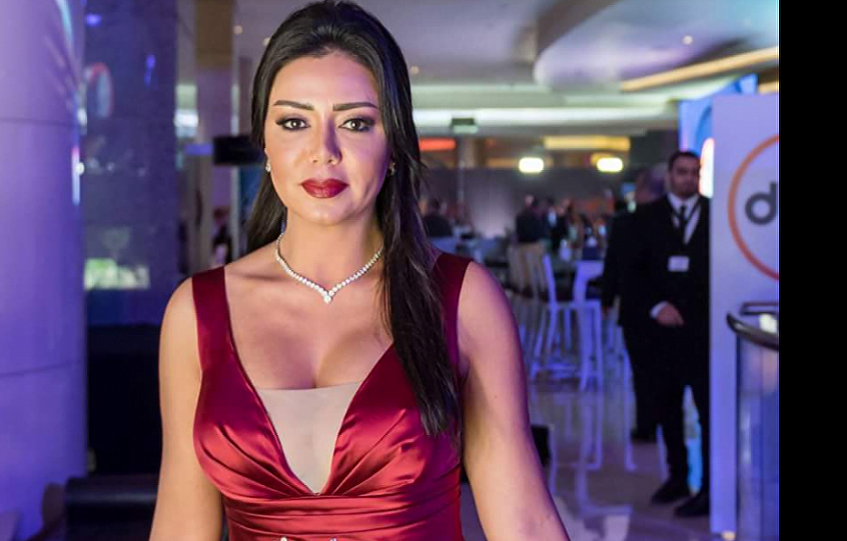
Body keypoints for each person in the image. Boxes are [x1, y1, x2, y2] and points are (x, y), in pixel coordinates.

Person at [149, 2, 570, 540]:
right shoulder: (198, 312)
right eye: (294, 122)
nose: (322, 152)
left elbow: (526, 523)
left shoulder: (460, 299)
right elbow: (180, 526)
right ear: (266, 143)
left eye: (355, 123)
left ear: (393, 145)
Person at [630, 151, 711, 518]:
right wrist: (655, 306)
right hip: (661, 334)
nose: (689, 178)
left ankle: (709, 487)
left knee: (708, 411)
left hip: (704, 333)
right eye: (682, 172)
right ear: (670, 175)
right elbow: (633, 271)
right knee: (667, 407)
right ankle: (677, 476)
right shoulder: (646, 218)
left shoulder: (716, 216)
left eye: (695, 172)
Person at [600, 166, 666, 443]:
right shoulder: (670, 221)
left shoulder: (624, 223)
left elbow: (613, 264)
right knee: (664, 370)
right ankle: (665, 422)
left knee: (641, 370)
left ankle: (646, 424)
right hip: (669, 307)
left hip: (634, 307)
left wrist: (607, 297)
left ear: (641, 190)